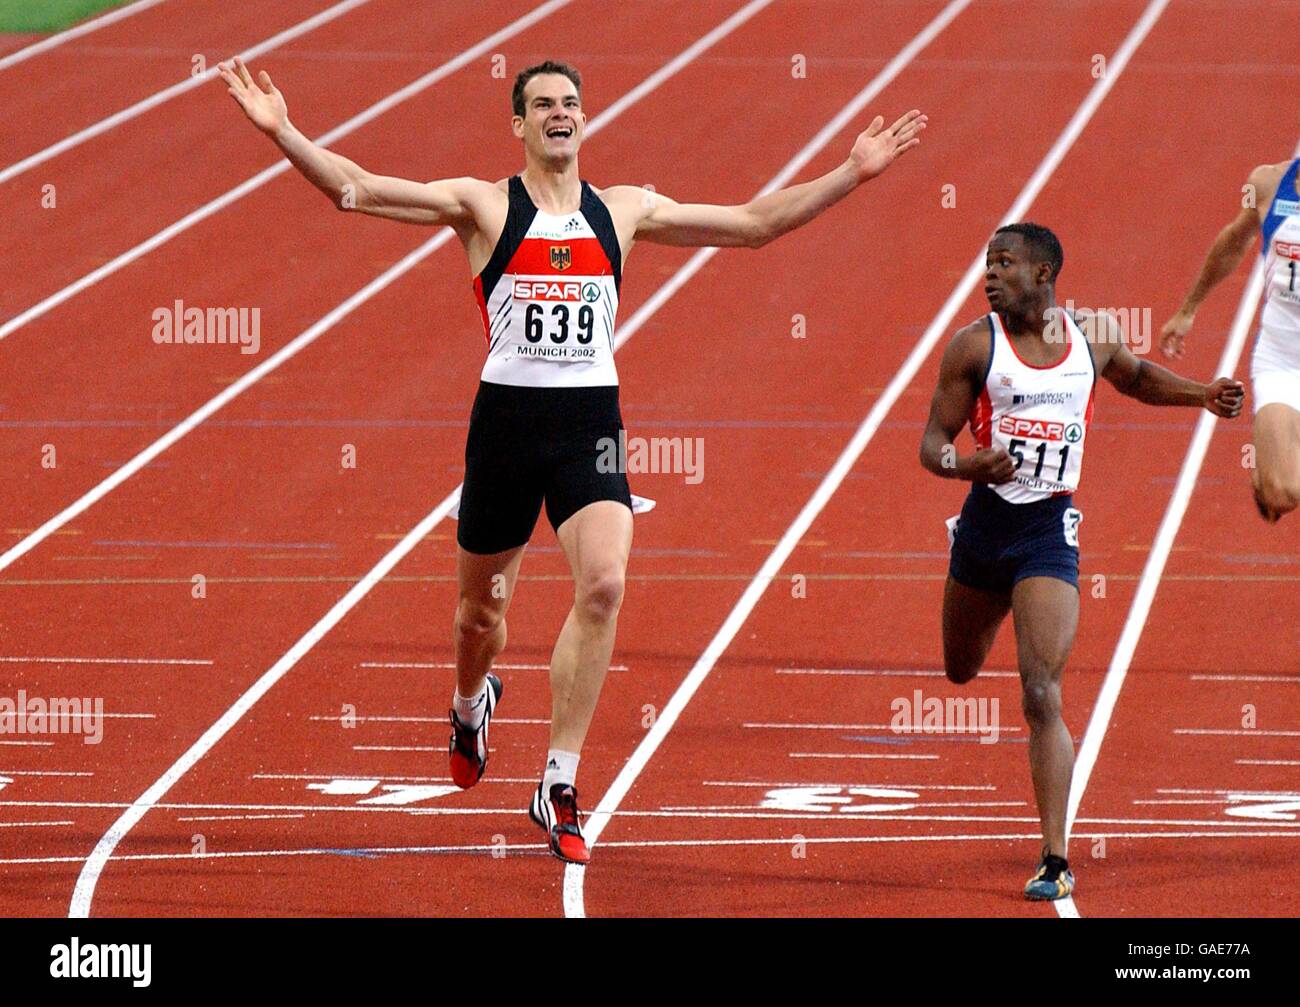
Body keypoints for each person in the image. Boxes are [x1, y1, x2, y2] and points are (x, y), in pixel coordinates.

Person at [219, 56, 927, 864]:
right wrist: (285, 133)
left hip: (591, 424)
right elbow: (359, 187)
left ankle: (559, 780)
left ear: (585, 120)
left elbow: (754, 224)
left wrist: (851, 173)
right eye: (543, 105)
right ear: (518, 125)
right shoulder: (483, 205)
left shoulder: (622, 211)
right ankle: (468, 699)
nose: (561, 114)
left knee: (605, 583)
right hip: (506, 429)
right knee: (478, 617)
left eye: (571, 103)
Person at [919, 223, 1243, 899]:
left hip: (1046, 533)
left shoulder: (1091, 336)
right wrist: (968, 465)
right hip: (983, 528)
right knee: (958, 669)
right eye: (988, 264)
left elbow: (1137, 378)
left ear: (1044, 274)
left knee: (1041, 690)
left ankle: (1055, 855)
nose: (990, 276)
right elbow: (930, 446)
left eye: (1005, 264)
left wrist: (1201, 395)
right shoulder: (974, 346)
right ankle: (981, 604)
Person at [1161, 157, 1300, 523]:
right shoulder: (1268, 183)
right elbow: (1235, 240)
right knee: (1281, 494)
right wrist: (1188, 309)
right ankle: (1272, 470)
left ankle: (1283, 452)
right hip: (1283, 360)